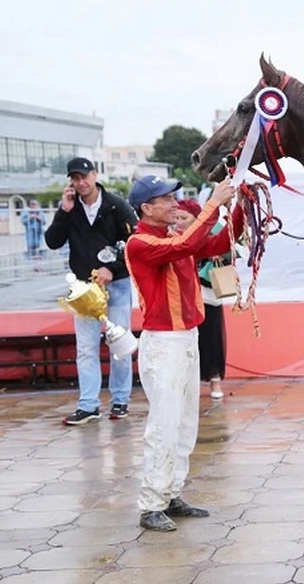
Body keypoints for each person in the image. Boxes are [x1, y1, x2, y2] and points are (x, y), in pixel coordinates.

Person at [125, 175, 243, 532]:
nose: (174, 202)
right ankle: (151, 504)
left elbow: (219, 242)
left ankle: (170, 493)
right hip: (164, 343)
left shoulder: (174, 237)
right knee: (164, 423)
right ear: (147, 208)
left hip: (184, 338)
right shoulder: (139, 243)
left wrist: (238, 210)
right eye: (166, 198)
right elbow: (190, 244)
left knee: (185, 422)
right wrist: (213, 205)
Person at [44, 157, 138, 425]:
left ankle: (120, 400)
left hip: (116, 284)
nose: (81, 182)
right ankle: (88, 404)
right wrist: (64, 210)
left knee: (118, 344)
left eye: (84, 176)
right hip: (83, 289)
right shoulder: (70, 208)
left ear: (95, 175)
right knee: (85, 348)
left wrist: (114, 267)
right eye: (75, 178)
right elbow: (52, 242)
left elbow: (135, 242)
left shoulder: (116, 206)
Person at [174, 198, 229, 399]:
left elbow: (230, 246)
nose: (179, 221)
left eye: (184, 217)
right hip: (185, 296)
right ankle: (190, 382)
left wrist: (219, 255)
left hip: (208, 292)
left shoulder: (211, 231)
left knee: (211, 337)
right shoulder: (174, 237)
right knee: (188, 341)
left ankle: (215, 380)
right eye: (176, 217)